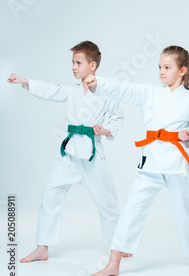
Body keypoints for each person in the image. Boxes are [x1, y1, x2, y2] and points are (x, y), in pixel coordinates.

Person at [87, 45, 189, 276]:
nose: (161, 72)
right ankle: (113, 262)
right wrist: (98, 83)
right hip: (151, 161)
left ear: (182, 70)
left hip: (177, 163)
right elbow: (124, 89)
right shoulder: (150, 92)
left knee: (185, 210)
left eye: (167, 67)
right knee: (132, 209)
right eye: (160, 67)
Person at [7, 41, 124, 263]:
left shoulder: (108, 91)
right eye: (72, 62)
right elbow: (50, 90)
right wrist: (24, 81)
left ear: (92, 65)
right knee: (50, 195)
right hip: (69, 153)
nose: (73, 66)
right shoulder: (71, 91)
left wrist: (106, 129)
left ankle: (118, 245)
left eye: (78, 63)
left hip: (92, 153)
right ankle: (42, 247)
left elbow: (118, 118)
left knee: (107, 201)